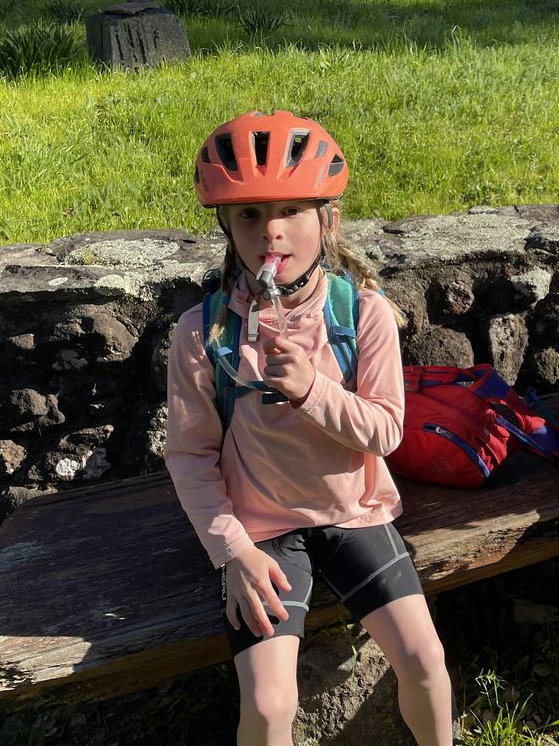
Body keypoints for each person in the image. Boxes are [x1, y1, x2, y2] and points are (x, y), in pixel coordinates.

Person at [165, 111, 454, 746]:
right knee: (270, 706)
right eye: (249, 214)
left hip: (354, 513)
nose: (271, 229)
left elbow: (385, 431)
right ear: (225, 225)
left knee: (426, 664)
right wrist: (232, 552)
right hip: (261, 532)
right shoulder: (203, 331)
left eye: (293, 209)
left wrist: (312, 391)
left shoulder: (365, 313)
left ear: (327, 219)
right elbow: (189, 456)